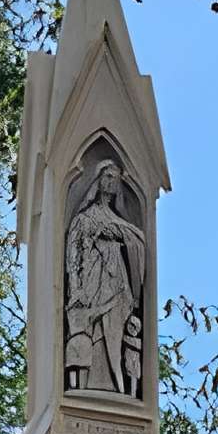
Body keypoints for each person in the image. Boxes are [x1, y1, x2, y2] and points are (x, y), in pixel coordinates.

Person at [64, 162, 145, 396]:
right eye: (107, 177)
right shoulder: (85, 217)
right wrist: (76, 287)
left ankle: (117, 387)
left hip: (116, 285)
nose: (111, 182)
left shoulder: (118, 220)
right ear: (98, 180)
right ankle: (86, 383)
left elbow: (139, 241)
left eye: (115, 178)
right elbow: (73, 252)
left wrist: (120, 236)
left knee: (114, 330)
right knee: (92, 330)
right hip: (92, 283)